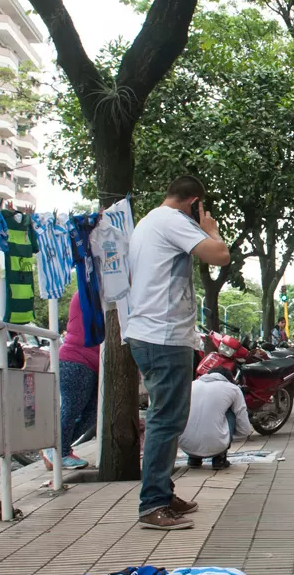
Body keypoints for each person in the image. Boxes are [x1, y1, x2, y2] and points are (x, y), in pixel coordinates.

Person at [124, 175, 232, 532]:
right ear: (194, 202)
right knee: (165, 419)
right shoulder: (172, 221)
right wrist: (211, 229)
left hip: (155, 333)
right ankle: (153, 502)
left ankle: (162, 493)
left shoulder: (149, 221)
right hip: (162, 335)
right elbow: (220, 255)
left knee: (169, 418)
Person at [46, 289, 99, 471]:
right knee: (72, 408)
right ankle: (58, 451)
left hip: (90, 362)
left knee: (91, 412)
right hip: (75, 359)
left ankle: (56, 446)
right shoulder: (88, 292)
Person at [178, 366, 253, 469]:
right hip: (218, 446)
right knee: (230, 411)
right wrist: (231, 439)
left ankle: (194, 459)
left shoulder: (191, 385)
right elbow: (242, 420)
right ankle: (219, 458)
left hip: (185, 445)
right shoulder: (233, 389)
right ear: (229, 379)